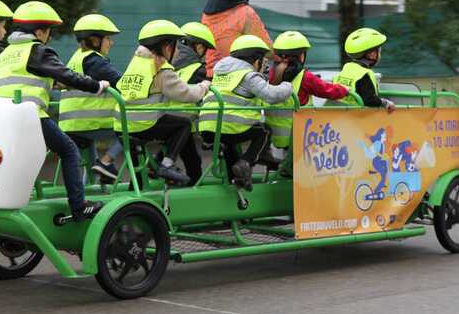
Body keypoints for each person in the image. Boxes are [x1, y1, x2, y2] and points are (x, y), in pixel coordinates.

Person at [0, 1, 107, 221]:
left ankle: (8, 199)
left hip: (1, 118)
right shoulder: (36, 50)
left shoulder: (3, 54)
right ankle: (79, 207)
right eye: (48, 32)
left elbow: (22, 80)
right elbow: (66, 74)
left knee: (21, 158)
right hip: (29, 116)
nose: (48, 38)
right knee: (69, 150)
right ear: (39, 31)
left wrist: (53, 84)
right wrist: (96, 86)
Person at [115, 20, 210, 185]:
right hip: (143, 124)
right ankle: (167, 165)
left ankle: (136, 190)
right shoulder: (162, 69)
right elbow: (187, 94)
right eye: (175, 46)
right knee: (183, 125)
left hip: (120, 124)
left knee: (138, 166)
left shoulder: (136, 63)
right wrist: (204, 85)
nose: (178, 51)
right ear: (167, 47)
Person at [198, 34, 292, 191]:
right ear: (256, 60)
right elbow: (270, 95)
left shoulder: (221, 73)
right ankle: (247, 163)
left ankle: (237, 179)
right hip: (228, 125)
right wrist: (288, 86)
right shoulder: (248, 74)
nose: (265, 65)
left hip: (206, 126)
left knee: (229, 145)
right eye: (263, 60)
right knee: (264, 131)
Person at [58, 14, 124, 183]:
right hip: (90, 122)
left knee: (89, 166)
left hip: (69, 124)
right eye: (108, 38)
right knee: (133, 130)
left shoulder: (75, 58)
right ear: (95, 40)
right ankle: (106, 161)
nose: (112, 42)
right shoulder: (95, 62)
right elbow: (124, 84)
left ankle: (92, 186)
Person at [266, 30, 350, 149]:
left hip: (276, 137)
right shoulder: (305, 77)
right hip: (302, 137)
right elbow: (327, 90)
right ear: (301, 56)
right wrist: (344, 90)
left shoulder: (270, 75)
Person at [201, 0, 272, 76]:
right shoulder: (245, 13)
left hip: (209, 77)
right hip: (234, 80)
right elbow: (268, 50)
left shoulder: (208, 13)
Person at [333, 27, 396, 112]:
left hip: (339, 116)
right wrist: (386, 103)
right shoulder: (364, 74)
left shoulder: (347, 68)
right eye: (379, 51)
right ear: (372, 54)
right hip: (359, 119)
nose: (380, 54)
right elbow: (369, 100)